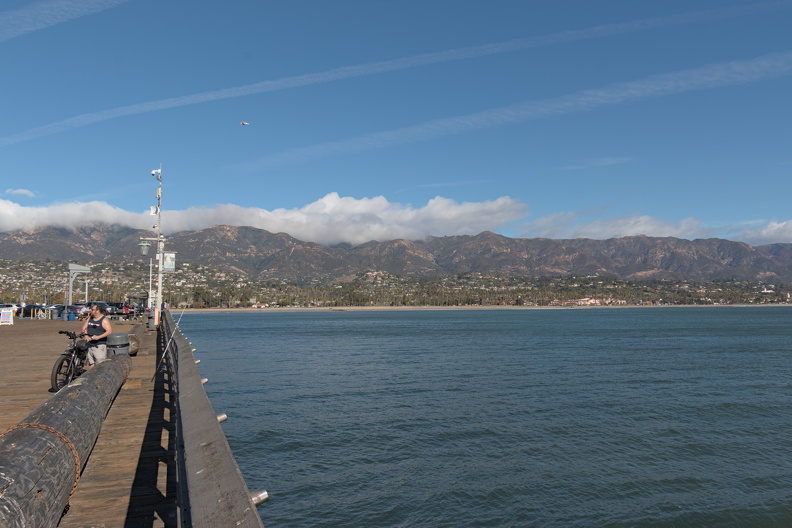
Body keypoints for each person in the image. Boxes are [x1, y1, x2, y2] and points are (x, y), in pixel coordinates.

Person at [81, 303, 113, 368]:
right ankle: (91, 377)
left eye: (92, 310)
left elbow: (109, 331)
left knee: (100, 365)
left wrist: (98, 337)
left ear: (97, 311)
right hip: (90, 344)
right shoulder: (90, 319)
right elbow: (84, 328)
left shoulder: (104, 320)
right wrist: (86, 336)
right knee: (90, 363)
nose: (91, 311)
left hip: (99, 345)